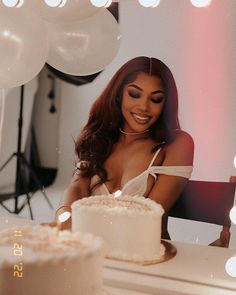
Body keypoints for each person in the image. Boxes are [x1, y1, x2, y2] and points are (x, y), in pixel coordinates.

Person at [56, 56, 194, 238]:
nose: (144, 107)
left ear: (165, 104)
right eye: (135, 94)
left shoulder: (178, 144)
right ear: (119, 94)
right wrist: (64, 217)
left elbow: (150, 217)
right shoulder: (100, 137)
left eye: (156, 99)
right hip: (93, 247)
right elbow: (77, 188)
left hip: (145, 256)